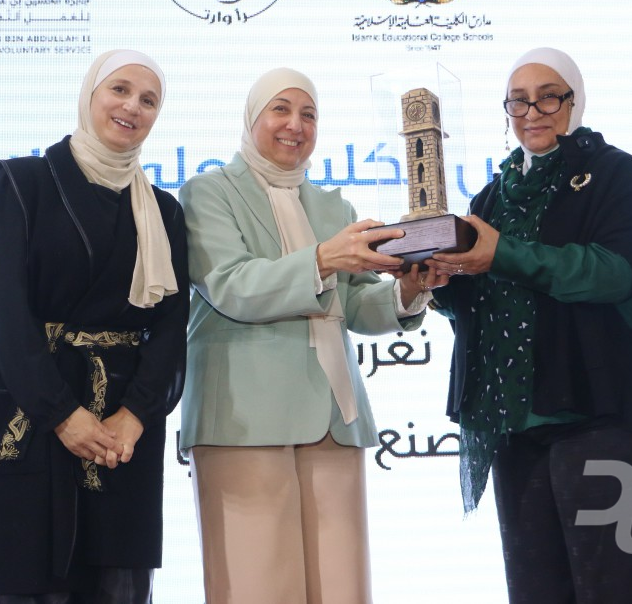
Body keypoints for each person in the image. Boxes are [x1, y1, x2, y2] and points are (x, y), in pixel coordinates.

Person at [178, 67, 446, 604]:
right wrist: (324, 258)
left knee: (342, 588)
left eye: (309, 114)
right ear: (252, 117)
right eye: (280, 109)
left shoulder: (333, 208)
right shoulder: (207, 193)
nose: (295, 125)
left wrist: (408, 291)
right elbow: (231, 286)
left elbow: (353, 304)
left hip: (333, 417)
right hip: (244, 420)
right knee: (257, 589)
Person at [426, 47, 632, 604]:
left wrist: (503, 254)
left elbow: (613, 274)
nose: (532, 112)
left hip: (601, 415)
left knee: (615, 590)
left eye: (548, 97)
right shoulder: (491, 198)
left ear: (574, 101)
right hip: (515, 425)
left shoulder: (615, 174)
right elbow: (481, 303)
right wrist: (436, 281)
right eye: (518, 101)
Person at [0, 50, 189, 603]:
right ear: (89, 95)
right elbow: (6, 312)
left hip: (121, 425)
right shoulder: (21, 181)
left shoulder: (165, 212)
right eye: (119, 90)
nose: (133, 106)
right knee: (33, 578)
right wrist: (61, 414)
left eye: (149, 100)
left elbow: (171, 327)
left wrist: (136, 415)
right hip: (29, 404)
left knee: (119, 584)